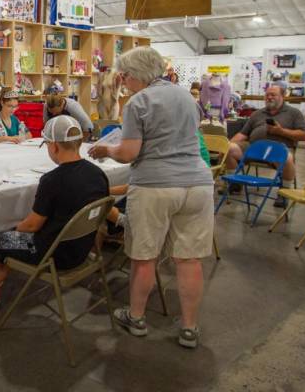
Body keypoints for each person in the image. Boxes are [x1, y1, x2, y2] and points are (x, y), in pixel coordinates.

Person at [88, 46, 215, 349]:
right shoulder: (186, 96)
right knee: (189, 259)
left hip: (156, 184)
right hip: (197, 183)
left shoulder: (139, 102)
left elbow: (129, 152)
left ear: (135, 75)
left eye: (125, 76)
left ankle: (136, 317)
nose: (124, 81)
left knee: (144, 257)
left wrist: (106, 150)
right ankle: (189, 328)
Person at [0, 116, 109, 306]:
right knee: (15, 236)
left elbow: (32, 225)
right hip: (82, 248)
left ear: (54, 146)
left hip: (52, 253)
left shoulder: (52, 180)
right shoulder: (97, 174)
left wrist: (10, 230)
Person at [224, 84, 305, 207]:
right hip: (254, 148)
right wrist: (228, 143)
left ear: (283, 96)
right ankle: (235, 184)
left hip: (279, 149)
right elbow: (243, 134)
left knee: (288, 157)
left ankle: (284, 192)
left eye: (273, 95)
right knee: (228, 149)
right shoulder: (257, 114)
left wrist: (281, 131)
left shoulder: (294, 113)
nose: (269, 97)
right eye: (267, 95)